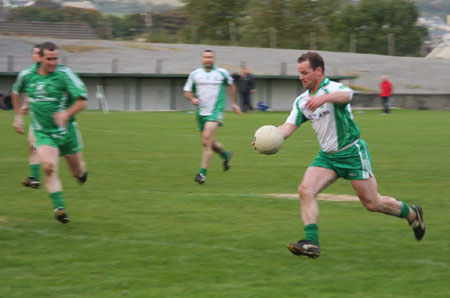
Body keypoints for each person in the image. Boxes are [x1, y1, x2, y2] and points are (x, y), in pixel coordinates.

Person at [261, 52, 424, 258]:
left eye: (305, 73)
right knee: (305, 190)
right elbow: (288, 127)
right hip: (327, 157)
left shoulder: (333, 89)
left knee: (373, 203)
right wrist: (269, 138)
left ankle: (412, 214)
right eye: (299, 73)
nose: (301, 77)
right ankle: (311, 243)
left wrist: (325, 98)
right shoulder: (302, 101)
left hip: (351, 153)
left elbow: (347, 95)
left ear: (318, 71)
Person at [12, 42, 88, 224]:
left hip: (66, 132)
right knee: (49, 167)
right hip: (43, 132)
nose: (53, 62)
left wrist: (66, 113)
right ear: (40, 58)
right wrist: (18, 116)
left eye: (55, 58)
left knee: (77, 173)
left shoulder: (65, 75)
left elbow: (82, 101)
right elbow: (16, 92)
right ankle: (59, 208)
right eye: (49, 59)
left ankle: (82, 170)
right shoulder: (27, 75)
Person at [183, 50, 241, 184]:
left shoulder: (221, 73)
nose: (208, 59)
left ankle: (202, 174)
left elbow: (231, 85)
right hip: (200, 113)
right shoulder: (195, 74)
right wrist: (192, 98)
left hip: (215, 111)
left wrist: (234, 103)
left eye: (210, 57)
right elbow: (187, 90)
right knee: (209, 142)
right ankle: (225, 155)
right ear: (202, 59)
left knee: (206, 142)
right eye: (205, 57)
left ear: (214, 59)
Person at [13, 44, 43, 189]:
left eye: (41, 53)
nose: (39, 55)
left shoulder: (52, 73)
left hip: (54, 119)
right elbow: (31, 92)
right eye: (37, 53)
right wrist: (23, 108)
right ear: (32, 56)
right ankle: (35, 178)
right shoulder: (28, 74)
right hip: (37, 118)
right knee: (33, 145)